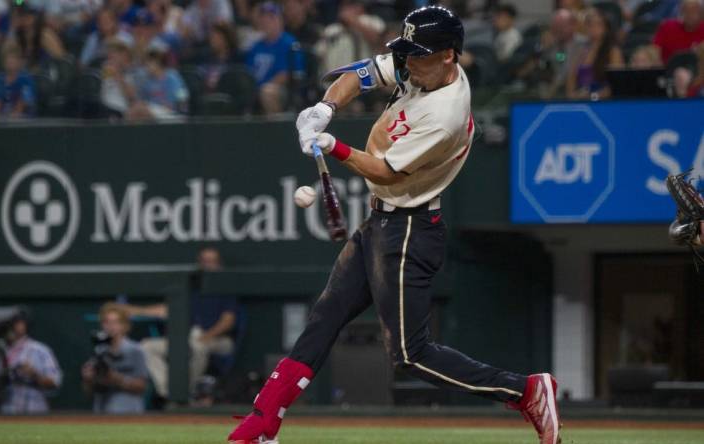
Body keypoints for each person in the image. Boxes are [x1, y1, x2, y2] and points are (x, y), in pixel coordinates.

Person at [227, 6, 561, 444]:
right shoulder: (419, 67)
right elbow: (362, 73)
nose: (408, 62)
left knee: (410, 354)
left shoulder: (446, 113)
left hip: (410, 229)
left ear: (448, 56)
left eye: (418, 54)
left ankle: (527, 391)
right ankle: (262, 423)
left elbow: (385, 170)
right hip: (382, 220)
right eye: (407, 52)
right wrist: (324, 108)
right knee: (324, 318)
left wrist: (334, 144)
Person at [114, 247, 239, 403]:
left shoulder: (225, 289)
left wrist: (206, 337)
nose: (208, 266)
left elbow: (228, 322)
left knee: (198, 347)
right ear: (199, 264)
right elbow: (165, 310)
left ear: (220, 265)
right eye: (205, 261)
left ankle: (189, 393)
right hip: (188, 339)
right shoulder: (191, 288)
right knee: (147, 346)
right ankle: (170, 393)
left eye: (212, 262)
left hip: (217, 340)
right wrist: (130, 310)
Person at [81, 303, 149, 413]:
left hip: (129, 411)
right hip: (101, 411)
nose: (111, 327)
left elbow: (142, 387)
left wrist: (117, 379)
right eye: (107, 322)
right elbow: (88, 391)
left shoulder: (135, 350)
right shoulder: (99, 350)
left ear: (125, 325)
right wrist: (88, 379)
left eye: (116, 322)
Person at [245, 2, 304, 115]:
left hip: (283, 90)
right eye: (263, 18)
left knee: (267, 92)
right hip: (256, 89)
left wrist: (261, 88)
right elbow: (248, 73)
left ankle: (276, 129)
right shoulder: (256, 46)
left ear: (280, 20)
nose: (266, 22)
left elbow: (287, 75)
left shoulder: (289, 43)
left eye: (271, 18)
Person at [1, 309, 63, 414]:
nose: (15, 326)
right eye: (12, 323)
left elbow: (55, 381)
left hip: (34, 408)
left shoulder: (39, 349)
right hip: (5, 409)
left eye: (19, 322)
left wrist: (34, 374)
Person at [315, 0, 386, 76]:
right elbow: (319, 53)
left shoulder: (371, 21)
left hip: (364, 76)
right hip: (336, 77)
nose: (345, 9)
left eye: (350, 5)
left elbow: (378, 40)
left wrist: (354, 22)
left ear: (360, 6)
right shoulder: (332, 29)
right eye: (343, 6)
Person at [566, 8, 624, 99]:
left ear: (606, 28)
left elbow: (617, 83)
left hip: (603, 100)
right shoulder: (580, 51)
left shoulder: (613, 52)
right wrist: (572, 95)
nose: (593, 28)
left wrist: (594, 96)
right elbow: (571, 77)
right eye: (590, 24)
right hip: (581, 97)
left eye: (598, 24)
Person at [128, 43, 189, 120]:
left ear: (157, 62)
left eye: (149, 62)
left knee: (140, 110)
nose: (146, 66)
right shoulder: (149, 81)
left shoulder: (171, 76)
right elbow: (142, 100)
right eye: (146, 63)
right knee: (134, 110)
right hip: (154, 111)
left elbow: (181, 97)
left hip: (172, 112)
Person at [0, 48, 37, 118]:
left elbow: (24, 101)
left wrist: (14, 116)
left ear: (19, 62)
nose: (10, 61)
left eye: (13, 59)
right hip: (2, 119)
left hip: (23, 120)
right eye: (8, 59)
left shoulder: (26, 78)